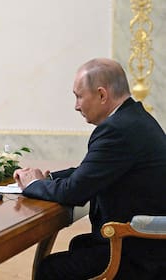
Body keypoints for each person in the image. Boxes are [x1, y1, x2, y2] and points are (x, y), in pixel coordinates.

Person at [14, 58, 166, 279]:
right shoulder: (133, 118)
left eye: (78, 96)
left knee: (51, 269)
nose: (76, 106)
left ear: (102, 95)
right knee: (79, 244)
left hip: (140, 253)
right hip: (146, 244)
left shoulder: (117, 129)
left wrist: (34, 184)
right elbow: (92, 170)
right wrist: (50, 178)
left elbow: (74, 192)